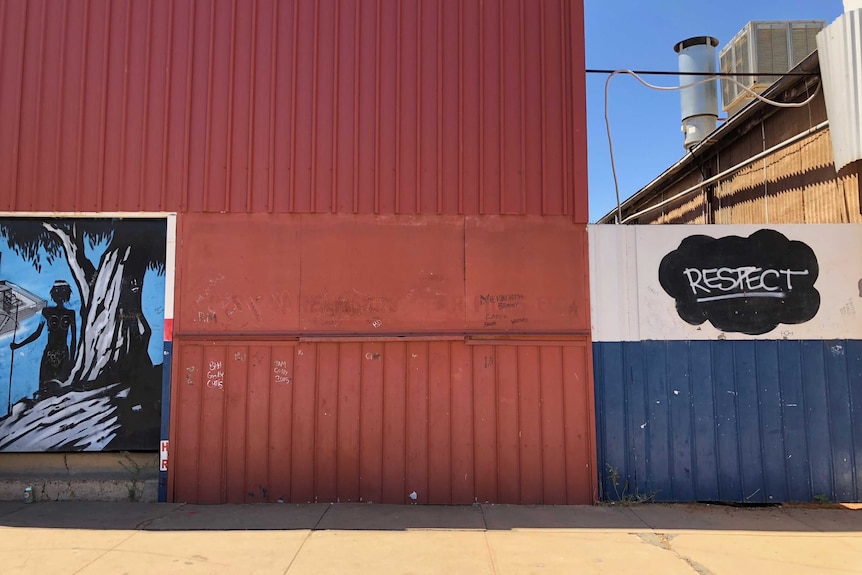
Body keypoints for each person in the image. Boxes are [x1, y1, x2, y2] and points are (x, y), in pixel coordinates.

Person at [10, 280, 77, 395]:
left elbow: (74, 339)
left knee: (60, 388)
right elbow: (37, 333)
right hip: (50, 353)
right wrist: (18, 345)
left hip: (62, 354)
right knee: (45, 388)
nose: (60, 294)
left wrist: (72, 360)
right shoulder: (47, 312)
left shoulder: (71, 313)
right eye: (57, 291)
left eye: (62, 291)